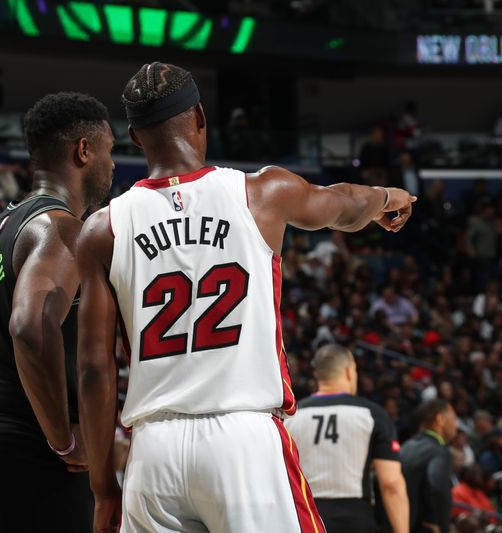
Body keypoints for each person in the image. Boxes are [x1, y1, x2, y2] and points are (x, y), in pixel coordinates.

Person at [76, 62, 416, 532]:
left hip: (153, 449)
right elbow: (345, 205)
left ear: (134, 137)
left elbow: (94, 368)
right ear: (199, 116)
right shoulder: (262, 192)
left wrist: (103, 486)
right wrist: (386, 197)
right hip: (243, 436)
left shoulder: (102, 229)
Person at [0, 92, 114, 533]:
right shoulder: (61, 228)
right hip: (28, 459)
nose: (112, 164)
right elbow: (29, 327)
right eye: (108, 150)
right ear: (84, 150)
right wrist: (63, 440)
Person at [284, 344, 408, 532]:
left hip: (305, 518)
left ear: (317, 375)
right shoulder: (372, 414)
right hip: (356, 519)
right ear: (350, 372)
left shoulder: (290, 417)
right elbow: (391, 484)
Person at [400, 399, 457, 533]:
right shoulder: (439, 450)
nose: (456, 425)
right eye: (454, 419)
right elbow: (437, 487)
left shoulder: (404, 448)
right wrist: (443, 526)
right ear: (440, 419)